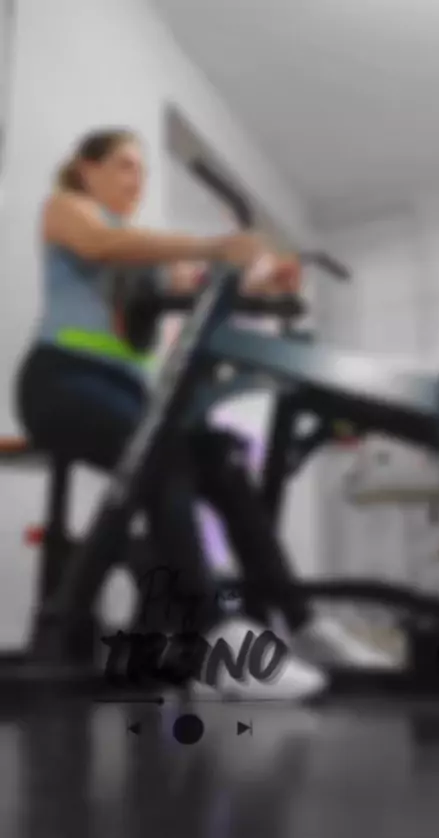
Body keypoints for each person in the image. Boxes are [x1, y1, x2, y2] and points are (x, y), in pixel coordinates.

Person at [16, 127, 329, 700]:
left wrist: (264, 279)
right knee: (164, 456)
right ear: (86, 168)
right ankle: (215, 637)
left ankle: (303, 624)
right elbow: (99, 245)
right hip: (63, 381)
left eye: (141, 169)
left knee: (222, 462)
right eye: (123, 164)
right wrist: (212, 245)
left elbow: (201, 281)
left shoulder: (148, 256)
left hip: (131, 397)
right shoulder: (69, 208)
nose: (136, 179)